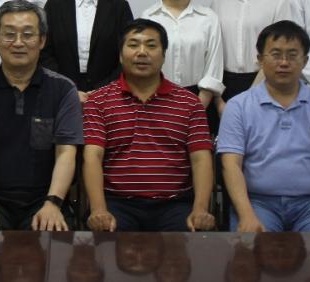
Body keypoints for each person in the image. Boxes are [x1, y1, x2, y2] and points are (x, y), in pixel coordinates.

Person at [0, 0, 82, 231]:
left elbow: (66, 153)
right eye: (9, 34)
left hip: (44, 198)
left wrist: (53, 203)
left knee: (53, 241)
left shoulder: (63, 89)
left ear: (42, 40)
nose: (18, 42)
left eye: (28, 34)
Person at [217, 20, 310, 233]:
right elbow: (231, 164)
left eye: (292, 55)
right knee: (256, 246)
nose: (284, 62)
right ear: (260, 60)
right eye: (276, 54)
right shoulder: (238, 106)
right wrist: (247, 216)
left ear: (305, 61)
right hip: (257, 204)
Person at [83, 18, 215, 232]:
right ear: (120, 55)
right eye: (133, 45)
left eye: (151, 46)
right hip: (117, 203)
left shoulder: (189, 103)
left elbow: (200, 158)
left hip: (175, 204)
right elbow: (92, 156)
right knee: (108, 241)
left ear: (163, 55)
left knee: (188, 241)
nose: (142, 52)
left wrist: (200, 209)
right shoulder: (98, 101)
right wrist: (98, 209)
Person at [40, 0, 133, 102]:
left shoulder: (120, 8)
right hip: (61, 95)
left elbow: (127, 55)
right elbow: (45, 54)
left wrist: (101, 91)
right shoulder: (54, 7)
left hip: (110, 96)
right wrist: (67, 88)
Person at [210, 0, 293, 110]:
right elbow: (213, 54)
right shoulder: (218, 1)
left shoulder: (278, 0)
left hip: (265, 83)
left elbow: (280, 50)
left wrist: (251, 95)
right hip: (224, 87)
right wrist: (218, 100)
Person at [140, 0, 224, 117]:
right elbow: (144, 63)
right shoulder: (148, 17)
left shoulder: (208, 17)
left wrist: (197, 108)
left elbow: (214, 66)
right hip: (156, 100)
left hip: (200, 100)